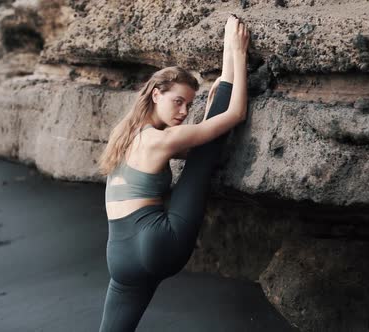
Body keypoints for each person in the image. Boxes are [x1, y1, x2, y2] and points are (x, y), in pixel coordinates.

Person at [97, 14, 250, 332]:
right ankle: (229, 46)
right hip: (160, 243)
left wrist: (207, 114)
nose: (182, 112)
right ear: (156, 94)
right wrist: (237, 52)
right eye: (177, 102)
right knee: (204, 156)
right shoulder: (164, 139)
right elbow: (236, 114)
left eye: (188, 105)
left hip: (119, 258)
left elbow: (198, 138)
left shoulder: (123, 132)